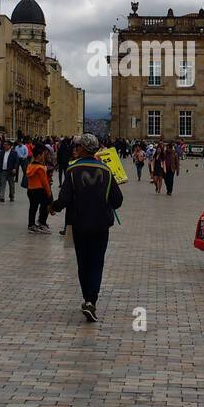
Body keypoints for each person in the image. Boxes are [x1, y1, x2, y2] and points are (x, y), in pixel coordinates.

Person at [49, 134, 124, 323]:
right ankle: (92, 300)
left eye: (78, 146)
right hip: (101, 225)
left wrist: (53, 207)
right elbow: (117, 200)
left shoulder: (72, 170)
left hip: (79, 224)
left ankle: (87, 299)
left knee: (83, 263)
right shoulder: (106, 170)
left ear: (83, 148)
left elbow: (64, 199)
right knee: (97, 262)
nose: (76, 149)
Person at [25, 146, 53, 233]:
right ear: (39, 155)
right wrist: (49, 193)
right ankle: (42, 223)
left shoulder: (30, 165)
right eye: (42, 155)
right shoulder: (40, 168)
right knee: (45, 205)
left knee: (33, 207)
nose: (43, 156)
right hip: (39, 190)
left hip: (30, 190)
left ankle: (31, 225)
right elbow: (44, 182)